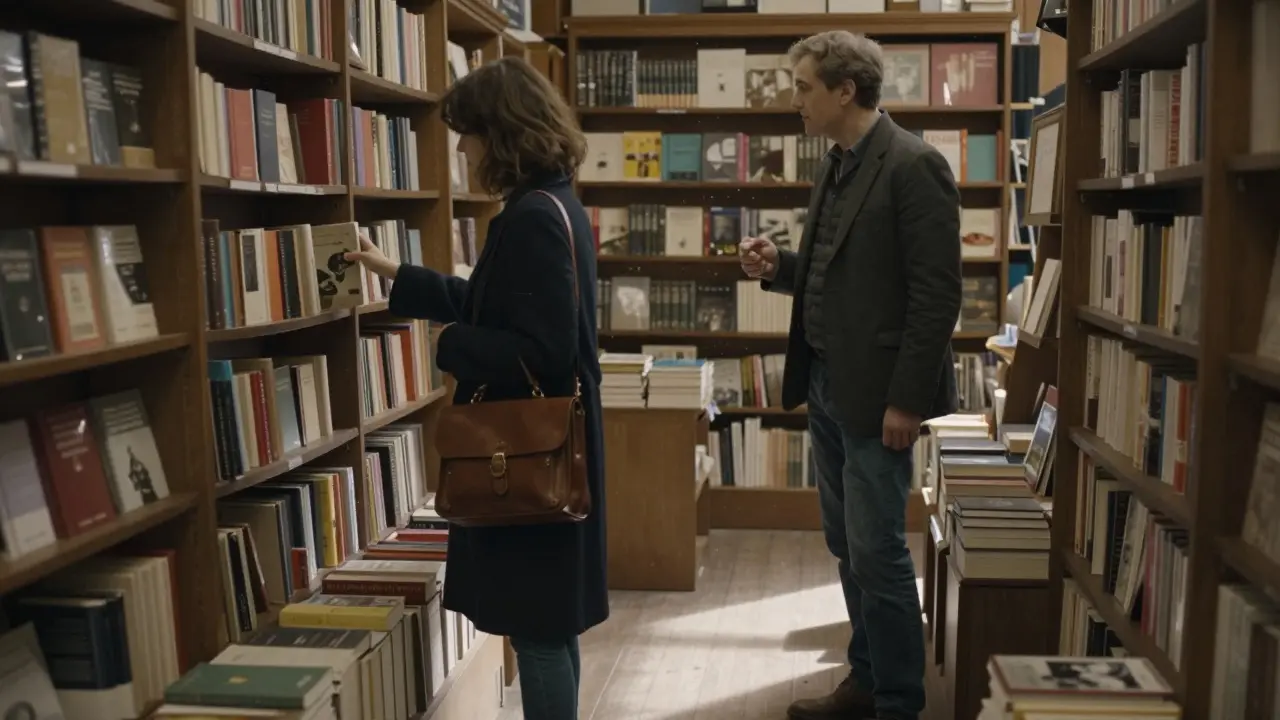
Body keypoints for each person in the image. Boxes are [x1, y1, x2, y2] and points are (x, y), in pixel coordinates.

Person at [344, 56, 607, 720]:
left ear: (501, 133)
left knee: (538, 634)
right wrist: (396, 273)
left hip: (526, 450)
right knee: (549, 628)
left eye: (469, 133)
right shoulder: (552, 203)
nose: (461, 148)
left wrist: (450, 348)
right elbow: (500, 305)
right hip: (547, 447)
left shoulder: (532, 218)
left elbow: (541, 351)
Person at [739, 31, 962, 720]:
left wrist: (906, 401)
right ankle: (865, 681)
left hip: (879, 398)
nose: (794, 100)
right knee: (846, 547)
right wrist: (781, 269)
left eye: (803, 87)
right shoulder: (833, 165)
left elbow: (936, 297)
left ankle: (897, 701)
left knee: (877, 551)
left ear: (844, 90)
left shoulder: (913, 165)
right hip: (830, 386)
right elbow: (841, 277)